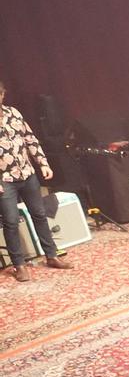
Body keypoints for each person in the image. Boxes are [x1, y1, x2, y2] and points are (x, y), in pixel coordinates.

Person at [0, 76, 70, 280]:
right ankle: (19, 265)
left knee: (39, 214)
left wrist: (43, 164)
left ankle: (51, 255)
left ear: (3, 95)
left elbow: (30, 139)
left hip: (26, 173)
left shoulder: (13, 113)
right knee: (11, 221)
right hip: (4, 179)